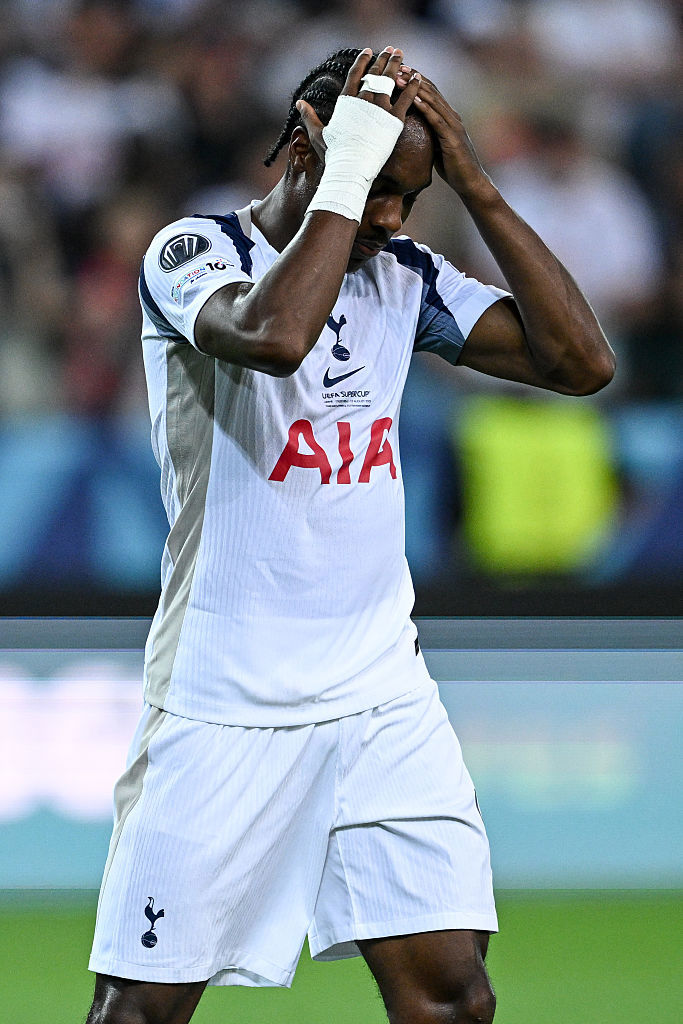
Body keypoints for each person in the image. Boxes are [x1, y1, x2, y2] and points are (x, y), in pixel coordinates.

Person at [85, 47, 615, 1024]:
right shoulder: (193, 253)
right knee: (139, 1013)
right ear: (305, 142)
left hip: (378, 697)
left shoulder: (403, 276)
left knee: (451, 997)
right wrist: (350, 164)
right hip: (222, 702)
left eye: (405, 200)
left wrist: (477, 185)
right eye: (375, 190)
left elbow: (580, 362)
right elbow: (274, 334)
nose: (385, 220)